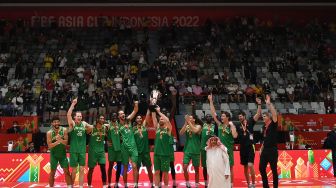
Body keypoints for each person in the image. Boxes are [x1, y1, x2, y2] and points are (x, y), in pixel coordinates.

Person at [208, 94, 238, 187]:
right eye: (221, 116)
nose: (221, 117)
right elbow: (213, 114)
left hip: (228, 149)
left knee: (230, 167)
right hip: (219, 149)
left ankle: (231, 185)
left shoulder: (231, 126)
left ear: (227, 117)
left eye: (223, 116)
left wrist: (232, 126)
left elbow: (235, 136)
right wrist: (210, 101)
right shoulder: (220, 125)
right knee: (220, 167)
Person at [67, 98, 93, 188]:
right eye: (77, 116)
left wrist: (101, 125)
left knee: (82, 169)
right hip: (73, 151)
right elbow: (68, 114)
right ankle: (71, 185)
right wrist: (73, 104)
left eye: (80, 116)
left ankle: (81, 186)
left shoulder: (84, 124)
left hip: (82, 151)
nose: (79, 117)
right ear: (75, 117)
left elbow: (93, 127)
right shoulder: (72, 124)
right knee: (74, 170)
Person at [237, 98, 261, 188]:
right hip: (242, 148)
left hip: (251, 146)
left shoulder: (250, 121)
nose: (240, 117)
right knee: (245, 167)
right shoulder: (237, 125)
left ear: (244, 116)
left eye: (241, 116)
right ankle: (248, 184)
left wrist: (259, 104)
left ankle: (254, 184)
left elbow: (258, 114)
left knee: (250, 164)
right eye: (238, 117)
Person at [118, 101, 139, 188]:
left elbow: (135, 111)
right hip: (124, 148)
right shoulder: (117, 125)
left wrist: (136, 104)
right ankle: (125, 185)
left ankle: (135, 185)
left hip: (133, 147)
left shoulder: (128, 120)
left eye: (123, 113)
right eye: (121, 114)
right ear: (119, 116)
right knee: (125, 167)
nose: (123, 115)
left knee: (134, 166)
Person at [259, 95, 278, 188]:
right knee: (261, 168)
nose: (263, 117)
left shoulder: (273, 124)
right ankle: (266, 186)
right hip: (265, 150)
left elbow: (274, 114)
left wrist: (269, 104)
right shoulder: (264, 127)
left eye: (265, 116)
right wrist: (261, 148)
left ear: (269, 117)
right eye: (262, 116)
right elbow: (264, 139)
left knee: (274, 170)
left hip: (272, 150)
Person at [46, 116, 72, 188]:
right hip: (53, 155)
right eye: (54, 122)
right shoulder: (49, 133)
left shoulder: (64, 130)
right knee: (52, 173)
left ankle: (69, 186)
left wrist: (60, 140)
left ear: (59, 122)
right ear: (52, 123)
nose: (56, 123)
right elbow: (50, 146)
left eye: (57, 121)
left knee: (67, 172)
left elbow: (66, 143)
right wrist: (58, 141)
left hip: (62, 155)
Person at [152, 105, 172, 188]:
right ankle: (156, 186)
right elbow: (153, 118)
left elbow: (167, 120)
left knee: (165, 172)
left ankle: (166, 186)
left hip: (165, 154)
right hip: (156, 154)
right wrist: (152, 107)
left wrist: (159, 112)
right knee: (156, 172)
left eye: (162, 118)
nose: (160, 119)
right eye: (159, 119)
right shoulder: (157, 129)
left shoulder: (168, 129)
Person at [133, 110, 154, 187]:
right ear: (135, 120)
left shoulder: (144, 126)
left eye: (140, 118)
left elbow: (148, 115)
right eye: (137, 118)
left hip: (146, 152)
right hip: (137, 152)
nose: (139, 119)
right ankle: (136, 185)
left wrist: (149, 108)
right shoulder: (133, 129)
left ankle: (152, 184)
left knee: (149, 169)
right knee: (136, 170)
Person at [179, 114, 201, 188]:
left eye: (190, 118)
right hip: (187, 150)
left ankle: (197, 184)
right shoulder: (187, 126)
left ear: (194, 120)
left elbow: (195, 131)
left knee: (196, 169)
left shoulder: (198, 126)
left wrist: (188, 121)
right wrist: (185, 123)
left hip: (196, 150)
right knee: (185, 167)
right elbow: (181, 133)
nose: (189, 119)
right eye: (188, 118)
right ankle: (187, 183)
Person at [87, 115, 107, 188]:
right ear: (97, 119)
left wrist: (109, 141)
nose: (102, 119)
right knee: (91, 169)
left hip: (101, 152)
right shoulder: (92, 128)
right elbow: (85, 131)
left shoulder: (104, 128)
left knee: (103, 168)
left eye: (103, 118)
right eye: (100, 118)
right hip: (93, 152)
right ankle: (89, 185)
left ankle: (104, 185)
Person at [107, 113, 122, 188]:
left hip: (119, 149)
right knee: (110, 167)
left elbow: (122, 136)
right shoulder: (108, 125)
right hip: (111, 149)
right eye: (113, 116)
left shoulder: (119, 125)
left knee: (119, 167)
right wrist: (106, 141)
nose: (114, 117)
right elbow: (103, 134)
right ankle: (109, 183)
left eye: (115, 116)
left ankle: (116, 183)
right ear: (110, 117)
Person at [200, 114, 216, 187]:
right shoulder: (203, 125)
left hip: (212, 148)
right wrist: (193, 106)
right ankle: (206, 183)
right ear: (205, 119)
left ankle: (213, 181)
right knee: (205, 166)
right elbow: (195, 117)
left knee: (213, 166)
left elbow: (216, 136)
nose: (209, 117)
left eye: (210, 116)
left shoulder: (214, 126)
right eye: (207, 116)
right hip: (204, 148)